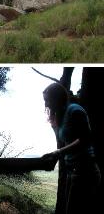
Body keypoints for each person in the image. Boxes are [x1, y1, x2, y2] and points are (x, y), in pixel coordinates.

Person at [42, 83, 101, 214]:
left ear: (57, 97)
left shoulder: (75, 110)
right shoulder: (61, 115)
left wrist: (59, 152)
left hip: (85, 172)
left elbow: (86, 139)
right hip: (73, 172)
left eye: (47, 100)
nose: (46, 104)